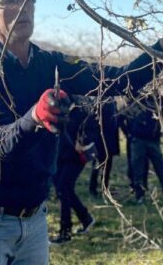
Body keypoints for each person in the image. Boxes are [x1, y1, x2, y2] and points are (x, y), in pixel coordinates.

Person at [0, 0, 163, 264]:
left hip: (34, 218)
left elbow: (122, 81)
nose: (23, 7)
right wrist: (34, 117)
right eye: (10, 0)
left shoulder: (53, 65)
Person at [49, 96, 108, 245]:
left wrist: (83, 143)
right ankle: (86, 218)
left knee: (63, 189)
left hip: (75, 157)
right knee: (63, 189)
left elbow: (96, 128)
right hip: (60, 154)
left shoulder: (83, 107)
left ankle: (65, 232)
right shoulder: (58, 102)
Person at [126, 87, 163, 206]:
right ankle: (140, 197)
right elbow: (127, 107)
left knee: (161, 170)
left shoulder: (159, 99)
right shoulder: (137, 97)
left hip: (153, 141)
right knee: (138, 170)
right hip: (138, 139)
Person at [88, 99, 120, 197]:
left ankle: (104, 187)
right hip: (99, 140)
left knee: (107, 166)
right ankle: (93, 188)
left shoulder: (113, 103)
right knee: (97, 165)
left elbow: (115, 124)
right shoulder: (98, 104)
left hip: (109, 140)